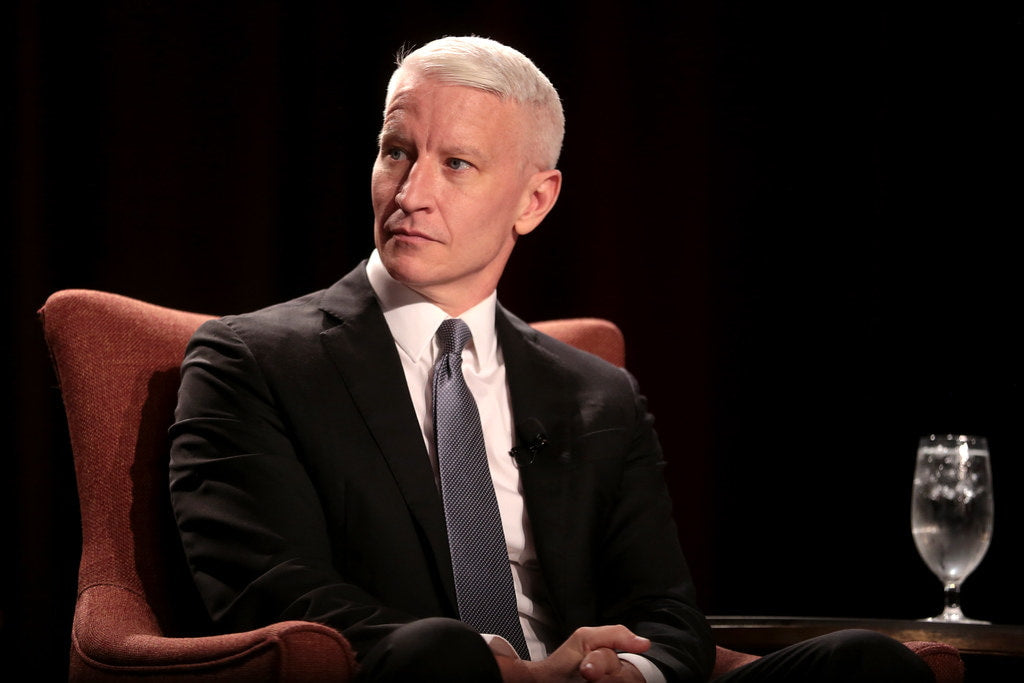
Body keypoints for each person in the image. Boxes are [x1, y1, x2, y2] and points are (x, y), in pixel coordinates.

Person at [168, 36, 935, 682]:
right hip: (431, 674)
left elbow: (666, 609)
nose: (410, 192)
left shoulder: (597, 393)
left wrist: (621, 672)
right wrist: (506, 668)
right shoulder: (255, 361)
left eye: (457, 164)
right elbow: (270, 590)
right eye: (396, 151)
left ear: (535, 200)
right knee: (440, 653)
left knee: (868, 664)